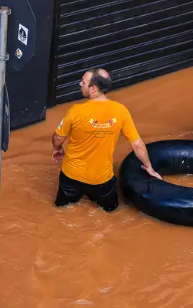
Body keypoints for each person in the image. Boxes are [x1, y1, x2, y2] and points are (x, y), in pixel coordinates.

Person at [51, 68, 161, 212]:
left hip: (71, 177)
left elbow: (58, 137)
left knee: (61, 211)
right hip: (102, 181)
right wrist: (148, 167)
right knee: (111, 212)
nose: (79, 84)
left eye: (83, 82)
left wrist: (57, 148)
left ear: (94, 88)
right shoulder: (121, 111)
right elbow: (137, 144)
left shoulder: (75, 111)